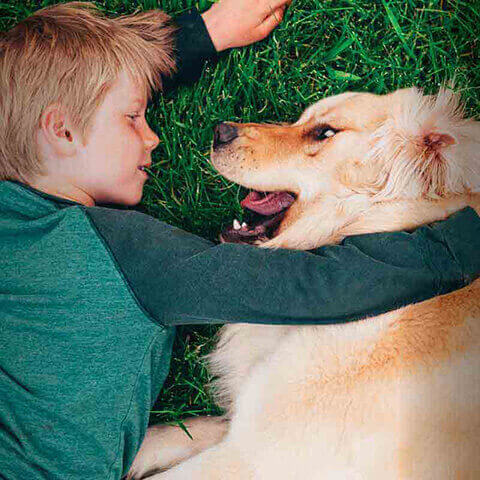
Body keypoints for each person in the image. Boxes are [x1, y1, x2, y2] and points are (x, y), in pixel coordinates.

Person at [0, 1, 478, 479]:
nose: (154, 137)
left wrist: (207, 33)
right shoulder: (123, 252)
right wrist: (461, 241)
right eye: (134, 117)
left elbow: (48, 87)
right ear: (61, 130)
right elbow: (312, 286)